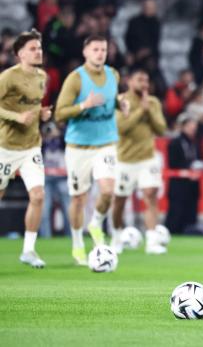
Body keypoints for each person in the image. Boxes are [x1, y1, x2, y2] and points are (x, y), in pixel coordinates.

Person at [55, 34, 128, 265]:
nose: (100, 53)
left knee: (108, 190)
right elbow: (59, 113)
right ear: (85, 52)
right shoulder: (76, 79)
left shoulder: (113, 74)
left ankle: (95, 222)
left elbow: (113, 98)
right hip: (79, 147)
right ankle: (77, 243)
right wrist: (84, 105)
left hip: (105, 143)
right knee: (78, 198)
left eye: (103, 50)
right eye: (95, 49)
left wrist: (121, 104)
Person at [0, 29, 52, 268]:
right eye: (33, 48)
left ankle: (28, 250)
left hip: (32, 147)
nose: (38, 51)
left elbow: (33, 107)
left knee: (38, 195)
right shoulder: (8, 77)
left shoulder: (42, 76)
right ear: (20, 54)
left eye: (39, 48)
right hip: (6, 146)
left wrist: (42, 114)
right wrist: (16, 117)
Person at [111, 69, 167, 254]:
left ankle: (151, 240)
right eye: (140, 79)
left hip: (147, 159)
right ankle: (116, 236)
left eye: (146, 80)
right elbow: (121, 127)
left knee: (150, 195)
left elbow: (161, 129)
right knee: (119, 201)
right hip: (125, 160)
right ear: (129, 81)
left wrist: (148, 111)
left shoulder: (152, 102)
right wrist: (139, 112)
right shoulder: (120, 101)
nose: (144, 84)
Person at [165, 113, 200, 234]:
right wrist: (188, 168)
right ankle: (172, 232)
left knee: (190, 212)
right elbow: (173, 163)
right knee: (176, 212)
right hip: (178, 185)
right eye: (190, 127)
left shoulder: (194, 143)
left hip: (192, 185)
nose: (193, 130)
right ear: (183, 127)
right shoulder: (175, 143)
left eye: (194, 127)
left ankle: (190, 231)